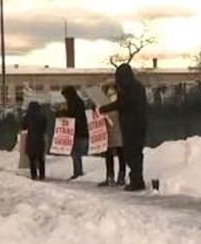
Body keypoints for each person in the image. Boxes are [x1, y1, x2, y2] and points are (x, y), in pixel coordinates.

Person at [99, 63, 149, 192]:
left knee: (133, 154)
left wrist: (106, 108)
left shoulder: (132, 89)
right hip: (133, 125)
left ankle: (137, 181)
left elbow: (124, 103)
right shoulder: (134, 87)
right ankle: (137, 179)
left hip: (134, 125)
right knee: (133, 154)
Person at [98, 84, 126, 187]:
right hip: (109, 129)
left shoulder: (120, 100)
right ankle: (112, 176)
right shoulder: (104, 102)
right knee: (112, 153)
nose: (110, 94)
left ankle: (117, 176)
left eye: (112, 92)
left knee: (119, 152)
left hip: (117, 127)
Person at [59, 86, 89, 179]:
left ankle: (77, 171)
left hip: (76, 130)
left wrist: (61, 113)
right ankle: (77, 170)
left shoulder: (74, 102)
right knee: (76, 152)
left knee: (75, 152)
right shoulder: (78, 101)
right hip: (79, 129)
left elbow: (71, 113)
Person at [20, 100, 48, 180]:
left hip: (31, 138)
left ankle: (34, 175)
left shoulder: (27, 116)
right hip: (40, 139)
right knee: (40, 158)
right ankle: (42, 175)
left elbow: (23, 127)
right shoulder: (42, 117)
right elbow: (44, 127)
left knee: (32, 158)